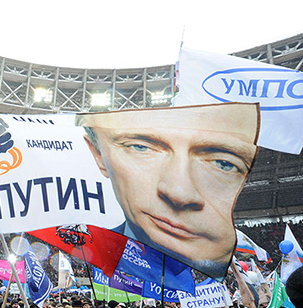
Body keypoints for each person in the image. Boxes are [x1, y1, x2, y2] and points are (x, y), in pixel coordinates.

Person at [76, 102, 259, 277]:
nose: (179, 193)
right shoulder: (95, 248)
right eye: (141, 147)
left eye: (223, 163)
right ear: (98, 154)